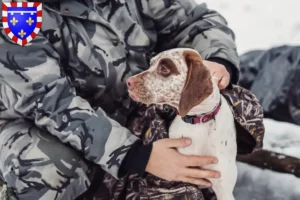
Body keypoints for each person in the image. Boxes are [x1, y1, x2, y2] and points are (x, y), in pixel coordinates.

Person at [0, 0, 263, 199]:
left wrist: (217, 62)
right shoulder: (17, 12)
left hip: (139, 98)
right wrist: (135, 154)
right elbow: (50, 101)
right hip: (42, 121)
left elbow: (195, 21)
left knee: (237, 106)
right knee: (50, 167)